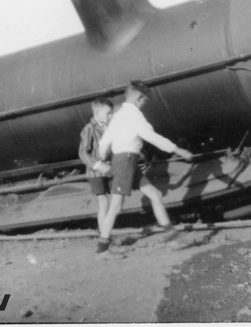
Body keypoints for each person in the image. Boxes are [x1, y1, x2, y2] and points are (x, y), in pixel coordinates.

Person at [95, 81, 193, 259]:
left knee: (155, 195)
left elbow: (105, 140)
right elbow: (151, 136)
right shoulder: (134, 114)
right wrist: (177, 149)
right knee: (116, 206)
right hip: (125, 162)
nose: (143, 104)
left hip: (129, 162)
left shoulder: (119, 115)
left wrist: (102, 156)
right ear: (138, 98)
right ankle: (102, 250)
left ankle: (174, 239)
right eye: (144, 101)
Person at [78, 97, 114, 232]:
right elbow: (83, 153)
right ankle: (104, 237)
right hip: (96, 172)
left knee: (113, 203)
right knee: (104, 202)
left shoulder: (109, 127)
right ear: (98, 114)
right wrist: (99, 165)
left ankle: (106, 234)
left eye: (111, 113)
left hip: (110, 169)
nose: (111, 116)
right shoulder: (88, 129)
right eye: (108, 113)